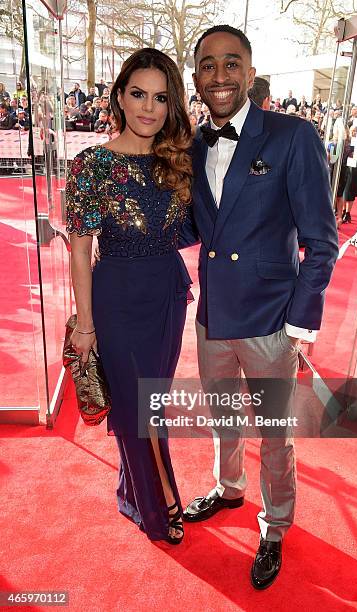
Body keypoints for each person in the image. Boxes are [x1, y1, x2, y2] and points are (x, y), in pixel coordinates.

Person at [179, 25, 338, 589]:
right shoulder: (193, 146)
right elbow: (199, 227)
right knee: (224, 421)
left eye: (230, 64)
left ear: (249, 70)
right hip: (215, 316)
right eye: (207, 65)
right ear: (195, 76)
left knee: (274, 433)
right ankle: (228, 490)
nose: (219, 77)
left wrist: (299, 321)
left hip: (272, 319)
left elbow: (322, 241)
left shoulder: (294, 137)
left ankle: (274, 526)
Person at [66, 48, 193, 544]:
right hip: (116, 297)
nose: (148, 108)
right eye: (138, 94)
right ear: (119, 96)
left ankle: (133, 491)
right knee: (136, 407)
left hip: (166, 295)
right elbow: (80, 251)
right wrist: (85, 324)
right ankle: (161, 500)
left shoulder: (175, 161)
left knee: (151, 402)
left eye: (160, 98)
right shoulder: (91, 165)